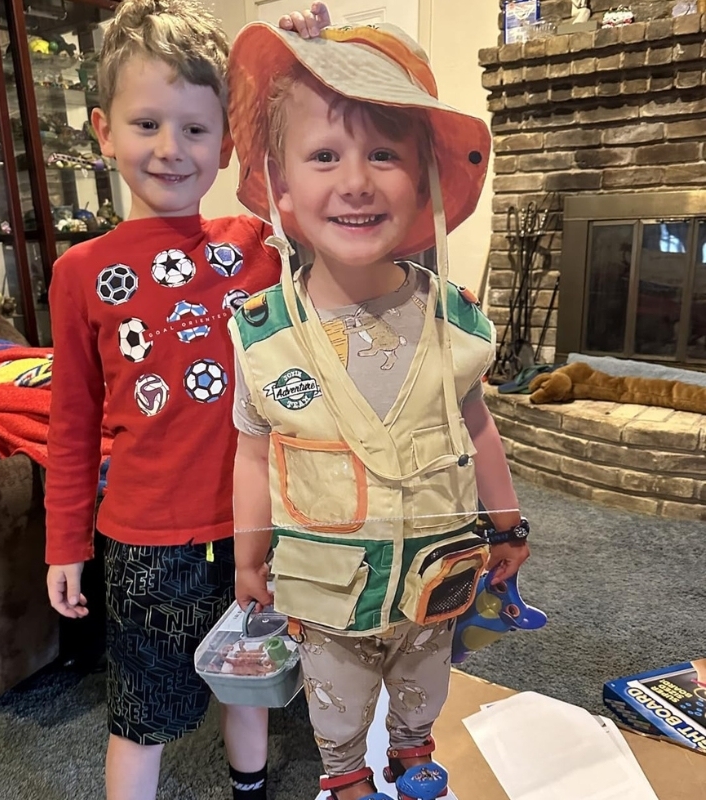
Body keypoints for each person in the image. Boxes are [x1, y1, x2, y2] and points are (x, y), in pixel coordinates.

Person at [226, 21, 531, 800]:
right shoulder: (264, 335)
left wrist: (507, 524)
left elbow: (477, 425)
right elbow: (253, 453)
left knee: (426, 685)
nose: (356, 180)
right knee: (335, 704)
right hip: (326, 593)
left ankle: (409, 752)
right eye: (325, 154)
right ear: (282, 183)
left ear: (425, 179)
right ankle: (345, 776)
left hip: (436, 579)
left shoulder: (457, 323)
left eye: (384, 155)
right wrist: (249, 557)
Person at [43, 3, 331, 800]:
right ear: (103, 130)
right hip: (144, 547)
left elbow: (323, 176)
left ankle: (250, 792)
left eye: (196, 130)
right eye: (146, 124)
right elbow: (70, 425)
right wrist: (64, 542)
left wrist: (292, 62)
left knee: (253, 682)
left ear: (227, 142)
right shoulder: (80, 274)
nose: (171, 149)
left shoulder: (254, 246)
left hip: (258, 527)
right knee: (141, 716)